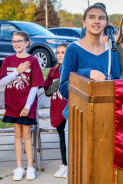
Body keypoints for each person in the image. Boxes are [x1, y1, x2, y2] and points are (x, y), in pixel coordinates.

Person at [60, 4, 120, 182]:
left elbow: (117, 84)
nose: (96, 21)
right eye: (92, 17)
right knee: (80, 170)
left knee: (103, 170)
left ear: (106, 23)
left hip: (105, 118)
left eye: (101, 18)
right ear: (84, 22)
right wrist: (86, 73)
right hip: (79, 117)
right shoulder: (73, 49)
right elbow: (64, 87)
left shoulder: (111, 52)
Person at [0, 31, 45, 181]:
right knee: (17, 135)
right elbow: (2, 82)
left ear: (27, 43)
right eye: (14, 41)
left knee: (27, 135)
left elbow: (35, 86)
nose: (16, 44)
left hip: (26, 104)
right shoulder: (8, 60)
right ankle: (19, 167)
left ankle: (30, 167)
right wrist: (17, 71)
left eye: (19, 41)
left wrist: (28, 106)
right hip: (12, 103)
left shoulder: (33, 61)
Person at [44, 44, 68, 178]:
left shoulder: (73, 69)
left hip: (69, 109)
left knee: (70, 137)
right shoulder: (53, 71)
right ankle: (64, 164)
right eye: (58, 52)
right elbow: (47, 91)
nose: (60, 55)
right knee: (61, 137)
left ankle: (70, 165)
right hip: (57, 107)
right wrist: (59, 80)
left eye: (63, 52)